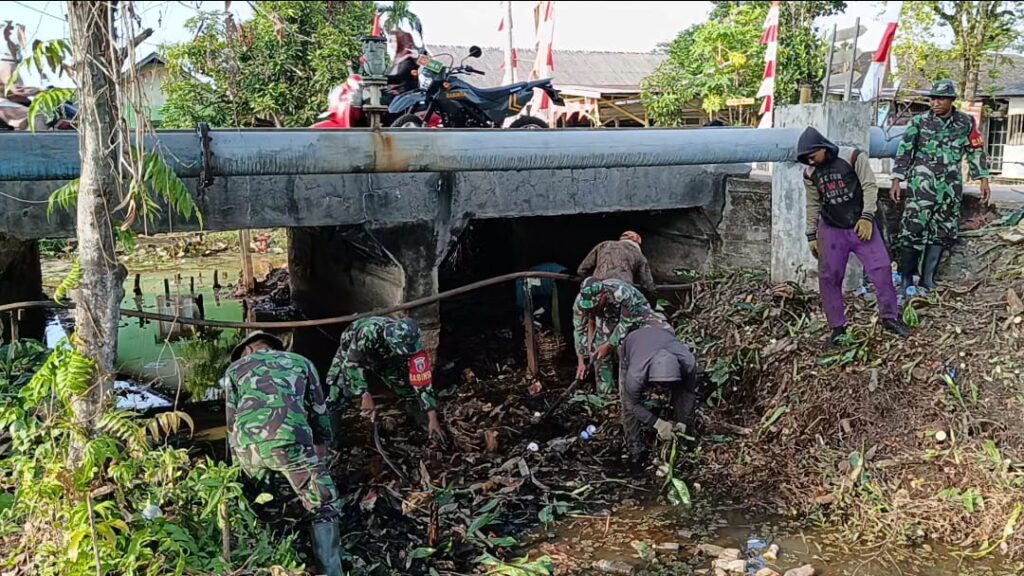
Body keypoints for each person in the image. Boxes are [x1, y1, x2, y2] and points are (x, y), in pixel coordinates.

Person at [221, 331, 342, 576]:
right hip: (289, 441)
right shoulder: (301, 362)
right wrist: (321, 444)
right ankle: (330, 571)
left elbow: (231, 424)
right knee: (324, 503)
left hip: (247, 446)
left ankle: (267, 560)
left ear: (248, 350)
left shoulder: (234, 369)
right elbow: (319, 408)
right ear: (277, 348)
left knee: (260, 503)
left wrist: (238, 467)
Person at [797, 127, 911, 346]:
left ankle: (890, 317)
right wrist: (811, 234)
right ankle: (837, 329)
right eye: (806, 160)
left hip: (860, 224)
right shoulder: (810, 173)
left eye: (812, 156)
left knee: (882, 269)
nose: (810, 162)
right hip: (831, 229)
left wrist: (867, 216)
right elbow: (813, 203)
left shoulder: (852, 157)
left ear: (822, 148)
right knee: (829, 278)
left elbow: (869, 186)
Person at [891, 79, 991, 293]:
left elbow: (975, 149)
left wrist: (983, 178)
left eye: (940, 98)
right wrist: (897, 179)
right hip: (921, 185)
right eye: (932, 98)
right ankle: (907, 279)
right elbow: (905, 150)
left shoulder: (965, 122)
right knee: (912, 229)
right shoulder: (919, 121)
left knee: (942, 231)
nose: (935, 102)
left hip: (950, 186)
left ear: (951, 100)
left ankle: (928, 280)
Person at [326, 316, 446, 441]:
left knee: (407, 387)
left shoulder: (414, 347)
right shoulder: (369, 331)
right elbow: (351, 364)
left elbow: (423, 382)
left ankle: (425, 424)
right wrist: (364, 395)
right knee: (336, 394)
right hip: (353, 355)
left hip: (387, 358)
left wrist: (433, 417)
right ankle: (329, 439)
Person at [573, 277, 672, 396]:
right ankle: (604, 394)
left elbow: (626, 324)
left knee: (628, 347)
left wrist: (609, 344)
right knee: (598, 352)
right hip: (608, 318)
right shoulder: (581, 301)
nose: (591, 309)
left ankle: (632, 394)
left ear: (604, 295)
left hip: (637, 315)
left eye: (594, 305)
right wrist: (581, 360)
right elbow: (579, 329)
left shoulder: (622, 293)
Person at [619, 325, 699, 462]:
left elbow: (688, 393)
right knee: (627, 405)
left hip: (664, 337)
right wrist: (657, 423)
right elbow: (631, 404)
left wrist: (683, 421)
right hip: (632, 344)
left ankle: (684, 443)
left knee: (682, 397)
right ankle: (635, 448)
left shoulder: (689, 364)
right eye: (660, 385)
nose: (662, 389)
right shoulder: (636, 374)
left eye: (668, 385)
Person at [577, 231, 657, 301]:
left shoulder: (603, 245)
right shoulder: (640, 256)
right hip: (622, 292)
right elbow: (647, 285)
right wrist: (652, 304)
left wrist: (593, 282)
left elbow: (581, 270)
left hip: (598, 289)